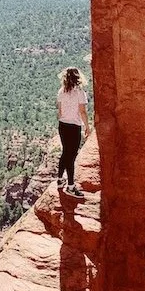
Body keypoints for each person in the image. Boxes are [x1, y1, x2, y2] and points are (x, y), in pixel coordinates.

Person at [56, 66, 89, 198]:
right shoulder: (79, 92)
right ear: (78, 77)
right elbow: (82, 111)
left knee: (65, 152)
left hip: (63, 125)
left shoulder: (61, 91)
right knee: (71, 156)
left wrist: (64, 119)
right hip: (74, 127)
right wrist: (87, 126)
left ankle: (59, 180)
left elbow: (59, 112)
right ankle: (70, 186)